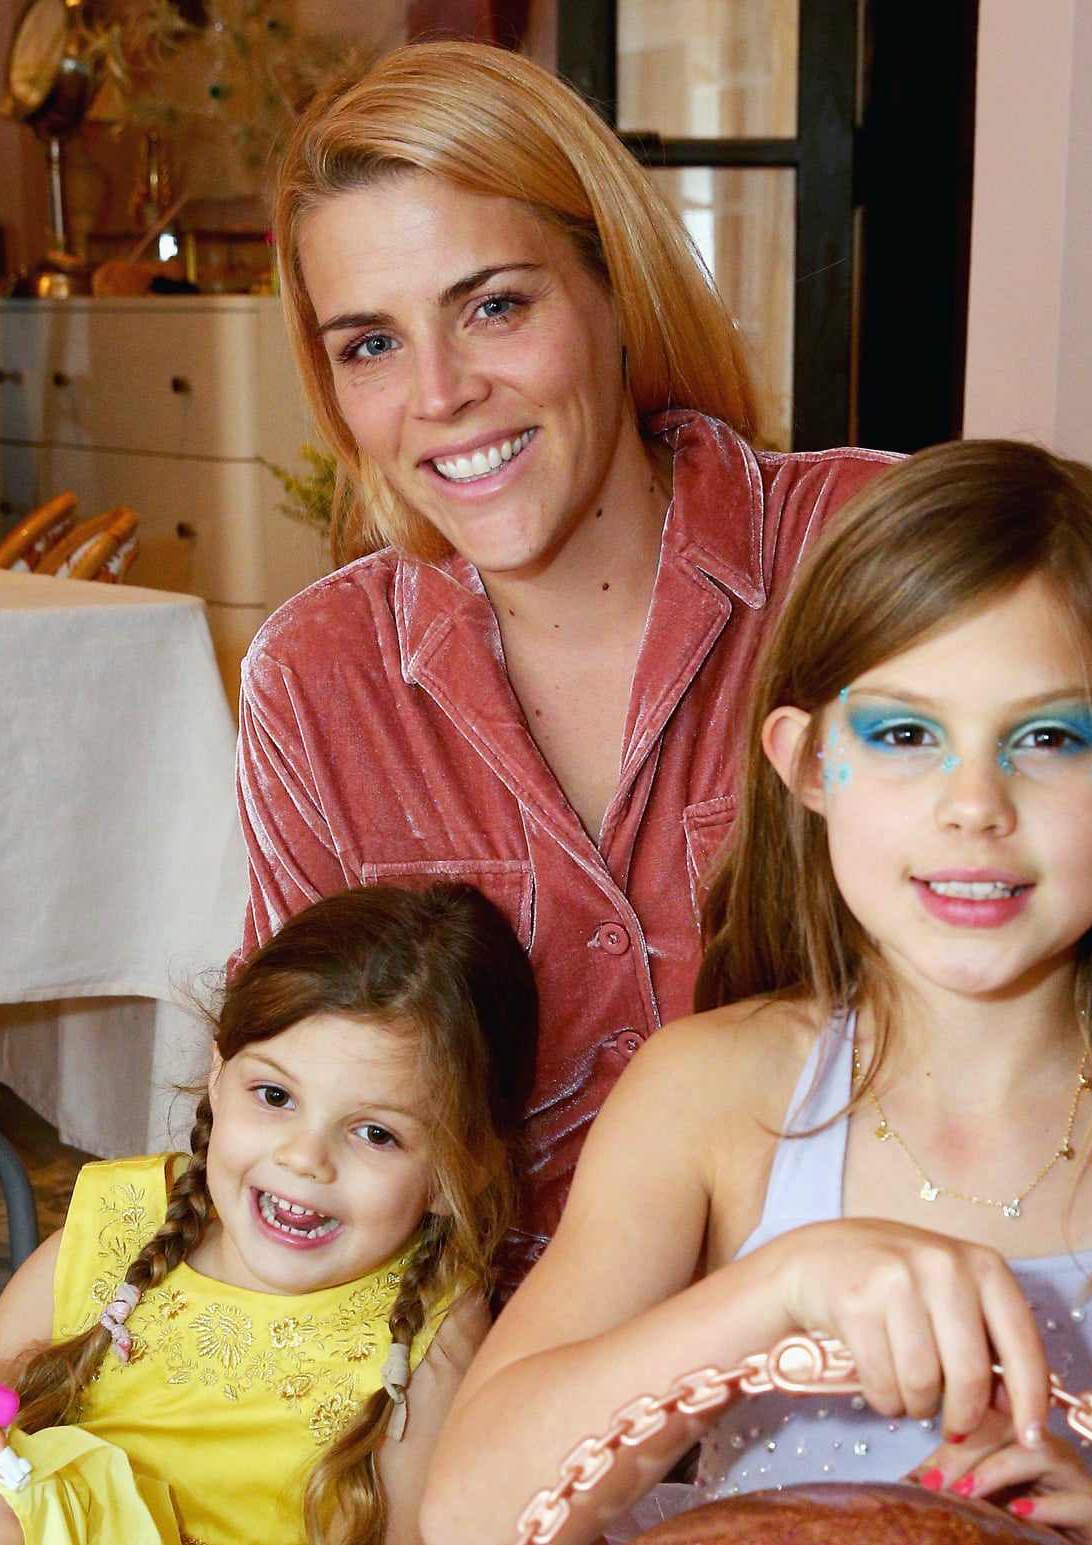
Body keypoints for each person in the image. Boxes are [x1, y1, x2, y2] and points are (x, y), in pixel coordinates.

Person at [422, 443, 1092, 1545]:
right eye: (907, 734)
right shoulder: (711, 1097)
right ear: (809, 764)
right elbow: (472, 1516)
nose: (974, 805)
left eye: (1048, 738)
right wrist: (771, 1291)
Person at [250, 40, 894, 1277]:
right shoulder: (317, 672)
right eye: (369, 345)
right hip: (498, 1353)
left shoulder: (862, 550)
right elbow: (298, 1104)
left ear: (613, 289)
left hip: (869, 1339)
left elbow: (1085, 1006)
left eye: (493, 304)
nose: (438, 393)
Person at [0, 884, 538, 1545]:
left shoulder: (429, 1336)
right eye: (274, 1095)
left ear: (452, 1173)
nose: (306, 1158)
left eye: (376, 1132)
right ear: (217, 1074)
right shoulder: (119, 1226)